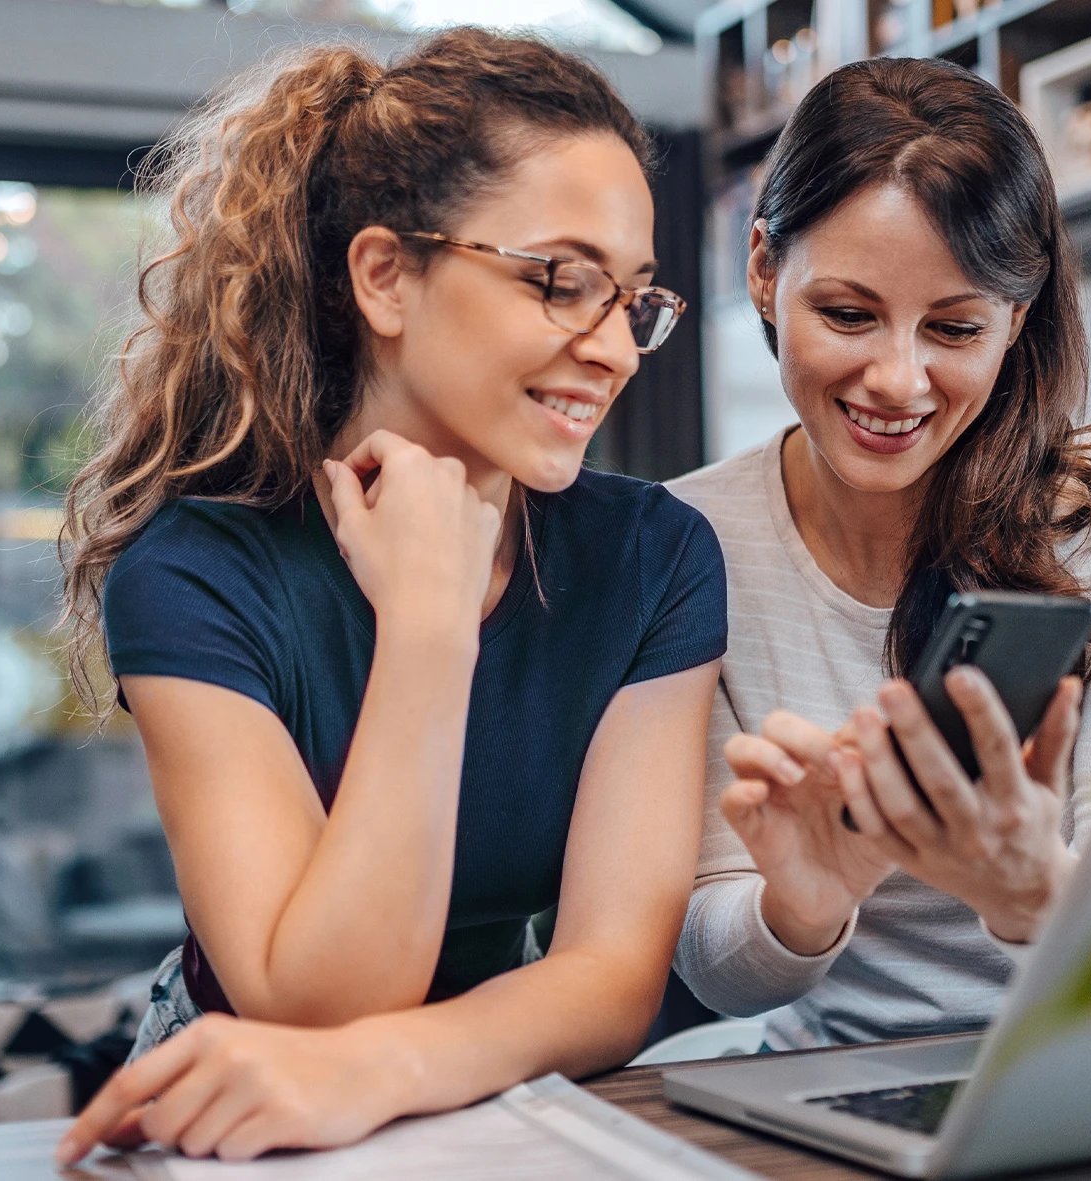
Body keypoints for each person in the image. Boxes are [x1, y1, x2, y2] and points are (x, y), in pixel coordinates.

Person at [52, 30, 725, 1163]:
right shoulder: (196, 574)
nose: (613, 348)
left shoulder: (652, 557)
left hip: (500, 1087)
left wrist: (397, 1066)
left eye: (635, 299)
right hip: (253, 1116)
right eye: (561, 279)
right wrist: (427, 629)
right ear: (384, 275)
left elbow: (612, 976)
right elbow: (312, 1011)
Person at [667, 56, 1091, 1050]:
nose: (898, 378)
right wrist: (803, 901)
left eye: (955, 326)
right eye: (847, 313)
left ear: (1017, 317)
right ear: (763, 269)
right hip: (823, 1084)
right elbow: (716, 970)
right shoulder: (686, 545)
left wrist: (1030, 890)